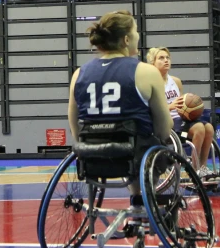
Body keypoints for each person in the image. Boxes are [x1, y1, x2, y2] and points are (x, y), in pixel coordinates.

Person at [68, 11, 172, 194]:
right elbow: (163, 128)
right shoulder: (146, 72)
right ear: (126, 39)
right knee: (159, 144)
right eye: (136, 31)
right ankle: (142, 199)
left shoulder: (79, 74)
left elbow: (74, 124)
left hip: (92, 156)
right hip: (135, 156)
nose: (138, 36)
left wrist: (87, 147)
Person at [147, 47, 215, 177]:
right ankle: (194, 170)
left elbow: (183, 103)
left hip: (181, 120)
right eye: (161, 58)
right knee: (199, 128)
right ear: (153, 63)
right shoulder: (152, 83)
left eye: (167, 57)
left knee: (209, 128)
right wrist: (170, 106)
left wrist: (191, 107)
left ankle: (203, 167)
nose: (166, 60)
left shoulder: (176, 81)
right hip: (166, 124)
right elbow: (149, 109)